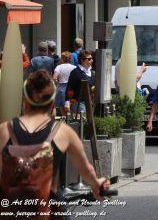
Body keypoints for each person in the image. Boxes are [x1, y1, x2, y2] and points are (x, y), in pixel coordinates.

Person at [0, 70, 109, 210]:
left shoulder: (5, 130)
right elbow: (86, 170)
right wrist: (96, 184)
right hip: (47, 210)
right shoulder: (63, 132)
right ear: (52, 103)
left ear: (25, 100)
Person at [65, 50, 95, 114]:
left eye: (92, 58)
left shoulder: (91, 72)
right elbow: (69, 87)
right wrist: (67, 101)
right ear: (82, 60)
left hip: (90, 102)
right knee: (82, 119)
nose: (92, 60)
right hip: (79, 103)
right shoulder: (75, 72)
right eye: (89, 59)